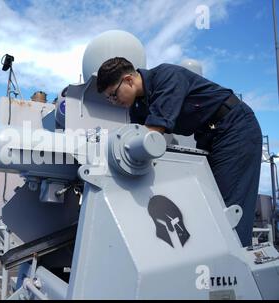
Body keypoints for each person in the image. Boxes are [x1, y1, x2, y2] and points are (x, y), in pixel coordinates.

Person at [96, 57, 262, 247]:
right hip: (208, 136)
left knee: (227, 206)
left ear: (128, 80)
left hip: (235, 127)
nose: (113, 101)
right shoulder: (138, 107)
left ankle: (237, 267)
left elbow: (151, 137)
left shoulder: (166, 77)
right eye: (109, 98)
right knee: (209, 203)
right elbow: (136, 143)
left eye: (114, 95)